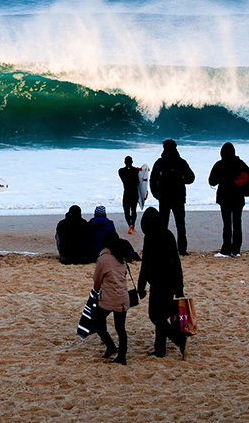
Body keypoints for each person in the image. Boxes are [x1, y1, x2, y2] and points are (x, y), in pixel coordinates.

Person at [136, 208, 186, 359]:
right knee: (161, 316)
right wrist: (179, 286)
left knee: (155, 317)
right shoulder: (168, 234)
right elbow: (176, 262)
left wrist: (141, 285)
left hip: (159, 282)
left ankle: (179, 340)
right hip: (170, 281)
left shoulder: (150, 237)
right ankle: (160, 350)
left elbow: (146, 264)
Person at [150, 140, 195, 255]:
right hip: (178, 197)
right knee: (180, 225)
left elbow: (152, 180)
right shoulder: (181, 162)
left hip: (164, 197)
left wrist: (156, 194)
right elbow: (191, 178)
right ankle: (182, 250)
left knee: (163, 225)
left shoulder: (160, 162)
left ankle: (163, 249)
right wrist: (181, 180)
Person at [92, 231, 130, 365]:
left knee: (97, 321)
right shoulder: (121, 257)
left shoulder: (103, 259)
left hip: (109, 298)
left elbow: (97, 280)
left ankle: (111, 345)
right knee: (121, 328)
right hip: (123, 298)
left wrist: (96, 292)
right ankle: (122, 356)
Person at [208, 142, 249, 257]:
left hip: (225, 197)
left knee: (227, 224)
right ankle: (236, 250)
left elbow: (212, 181)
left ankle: (226, 250)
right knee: (237, 223)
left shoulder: (219, 164)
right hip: (238, 197)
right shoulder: (240, 163)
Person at [118, 156, 140, 235]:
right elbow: (141, 179)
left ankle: (129, 224)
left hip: (127, 192)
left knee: (126, 211)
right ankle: (133, 226)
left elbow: (125, 172)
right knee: (133, 210)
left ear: (124, 162)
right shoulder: (136, 171)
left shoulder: (121, 171)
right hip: (135, 193)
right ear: (132, 162)